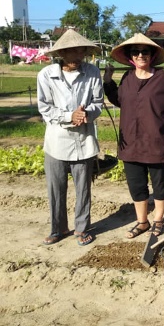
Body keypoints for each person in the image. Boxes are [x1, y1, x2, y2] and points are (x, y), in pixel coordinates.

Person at [103, 33, 164, 238]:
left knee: (159, 185)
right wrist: (107, 81)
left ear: (152, 55)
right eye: (136, 52)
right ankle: (142, 222)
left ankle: (158, 219)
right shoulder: (127, 77)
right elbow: (118, 99)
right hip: (130, 143)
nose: (141, 55)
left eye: (145, 52)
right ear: (131, 56)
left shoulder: (162, 79)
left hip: (157, 142)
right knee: (136, 185)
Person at [37, 29, 104, 246]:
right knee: (56, 189)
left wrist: (87, 114)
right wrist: (69, 115)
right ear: (62, 53)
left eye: (81, 51)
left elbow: (98, 103)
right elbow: (45, 108)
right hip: (57, 142)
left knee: (83, 188)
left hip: (83, 140)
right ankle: (58, 228)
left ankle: (82, 228)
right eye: (72, 51)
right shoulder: (47, 75)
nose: (77, 56)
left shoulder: (92, 72)